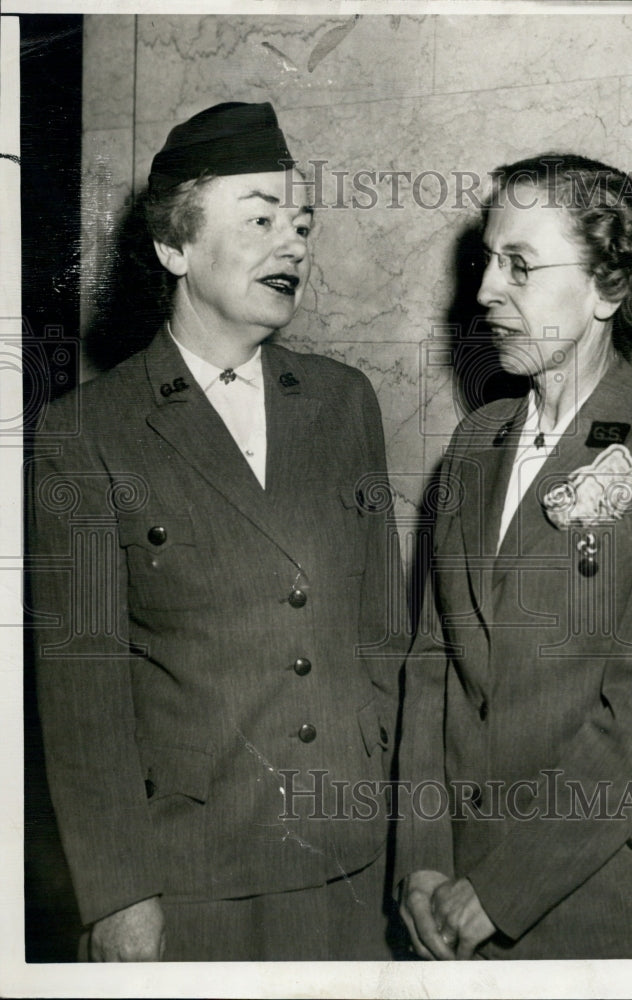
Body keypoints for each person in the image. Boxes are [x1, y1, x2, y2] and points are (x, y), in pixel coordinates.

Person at [28, 102, 403, 962]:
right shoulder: (88, 431)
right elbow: (82, 695)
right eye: (262, 219)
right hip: (192, 873)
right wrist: (119, 893)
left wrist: (403, 831)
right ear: (174, 248)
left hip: (350, 857)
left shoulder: (345, 402)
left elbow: (385, 636)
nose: (294, 244)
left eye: (300, 223)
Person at [397, 153, 632, 960]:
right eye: (485, 262)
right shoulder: (471, 446)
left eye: (519, 266)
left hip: (595, 906)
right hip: (450, 903)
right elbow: (430, 669)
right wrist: (421, 865)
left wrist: (499, 891)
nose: (482, 293)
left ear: (608, 287)